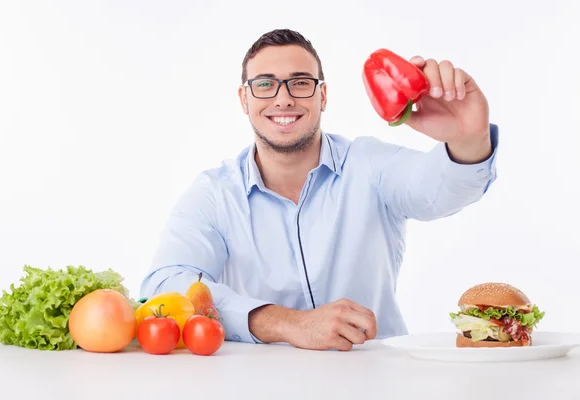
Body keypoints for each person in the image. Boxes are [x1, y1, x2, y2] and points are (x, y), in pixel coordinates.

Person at [140, 28, 498, 351]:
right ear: (244, 99)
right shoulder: (214, 193)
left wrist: (468, 139)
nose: (283, 99)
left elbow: (439, 190)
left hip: (379, 379)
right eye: (265, 84)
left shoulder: (369, 164)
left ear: (322, 96)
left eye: (300, 83)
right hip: (258, 384)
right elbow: (166, 283)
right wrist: (284, 322)